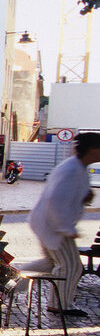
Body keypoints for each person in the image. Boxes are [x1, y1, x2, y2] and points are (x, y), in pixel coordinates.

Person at [27, 132, 100, 316]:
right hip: (55, 226)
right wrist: (66, 228)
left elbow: (67, 196)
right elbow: (55, 199)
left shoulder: (78, 167)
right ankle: (60, 305)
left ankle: (10, 278)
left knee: (51, 264)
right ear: (92, 150)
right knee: (71, 266)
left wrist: (85, 196)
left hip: (52, 224)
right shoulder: (72, 169)